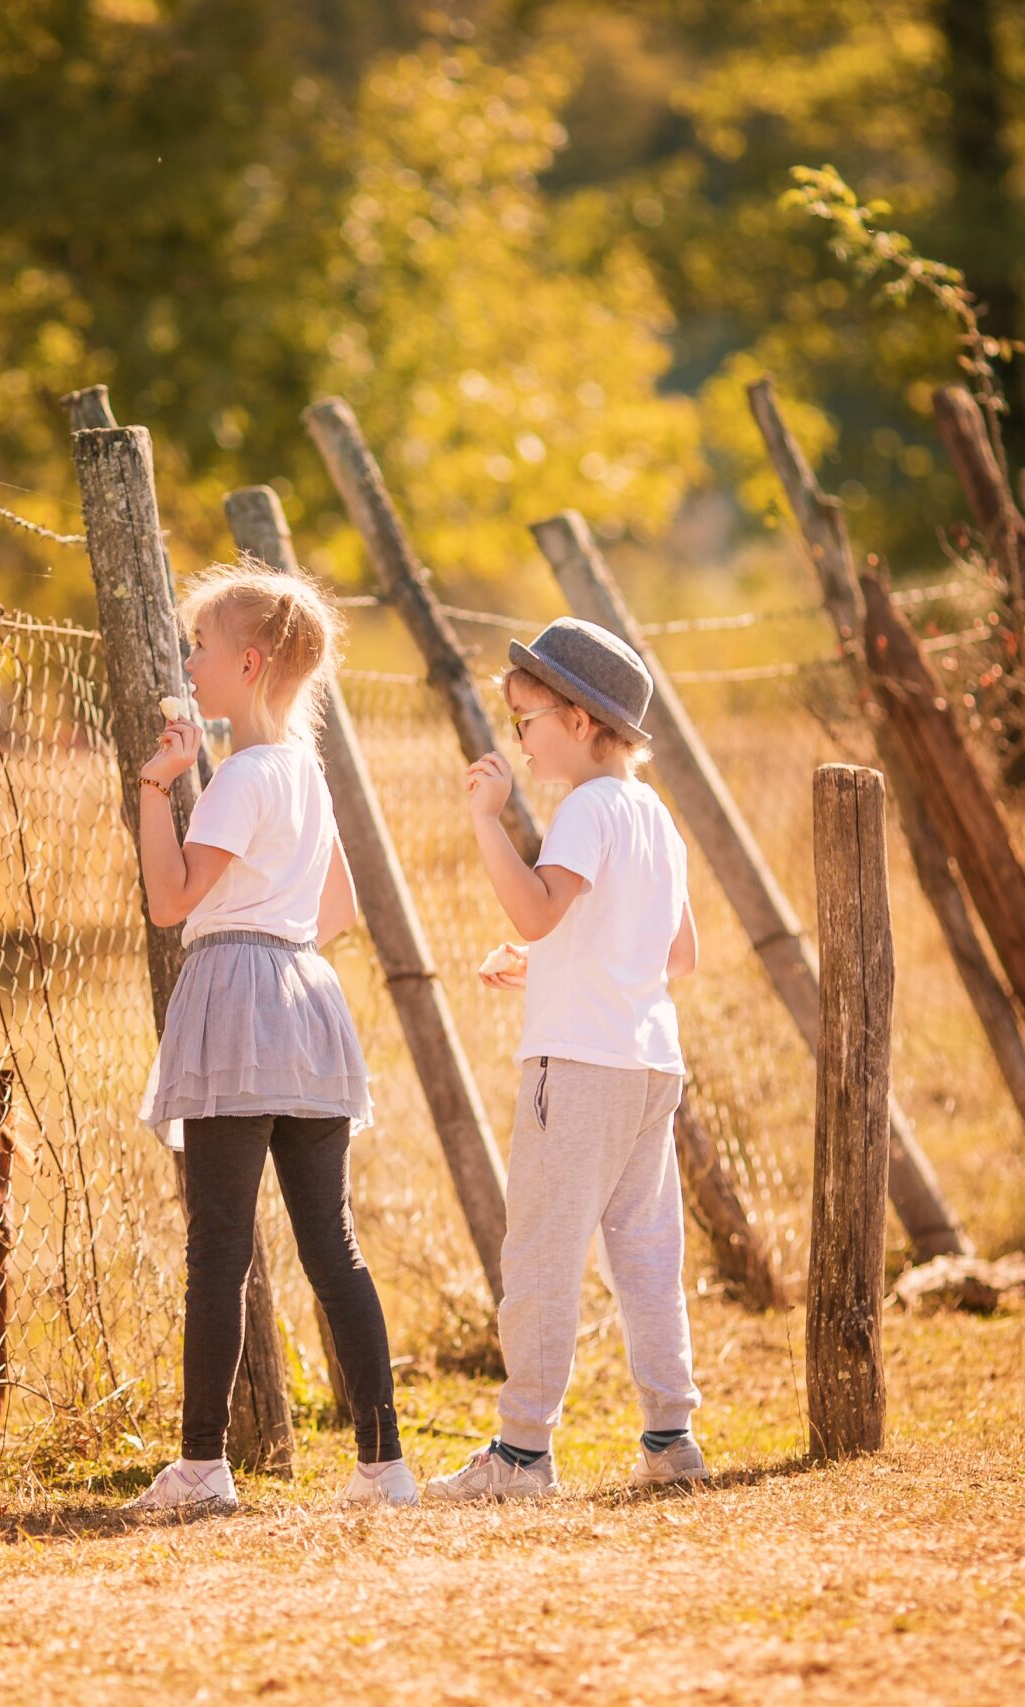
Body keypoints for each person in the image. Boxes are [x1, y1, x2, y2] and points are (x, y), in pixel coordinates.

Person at [125, 562, 413, 1512]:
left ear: (248, 662)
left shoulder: (239, 776)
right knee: (331, 1242)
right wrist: (274, 933)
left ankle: (204, 1467)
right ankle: (384, 1466)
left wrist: (156, 788)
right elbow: (337, 905)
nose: (190, 662)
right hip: (306, 993)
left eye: (201, 646)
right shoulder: (305, 772)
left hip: (238, 994)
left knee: (219, 1246)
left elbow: (170, 903)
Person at [427, 616, 711, 1501]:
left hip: (577, 1067)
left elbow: (537, 911)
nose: (520, 736)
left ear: (581, 720)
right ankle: (672, 1437)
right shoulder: (654, 816)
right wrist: (553, 961)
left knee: (543, 1253)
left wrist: (486, 822)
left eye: (527, 717)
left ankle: (519, 1455)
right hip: (649, 1065)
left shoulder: (583, 807)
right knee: (647, 1254)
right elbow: (678, 955)